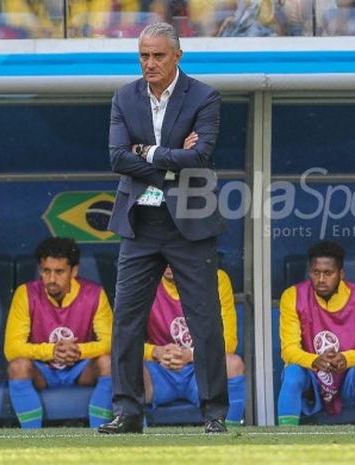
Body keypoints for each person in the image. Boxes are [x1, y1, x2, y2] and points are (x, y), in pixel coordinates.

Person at [100, 21, 229, 434]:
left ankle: (213, 414)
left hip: (190, 223)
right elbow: (118, 158)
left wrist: (149, 152)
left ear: (177, 56)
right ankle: (128, 411)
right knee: (126, 320)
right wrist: (170, 161)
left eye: (158, 55)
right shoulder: (124, 96)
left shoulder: (205, 96)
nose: (149, 63)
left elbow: (203, 155)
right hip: (139, 222)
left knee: (204, 320)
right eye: (143, 55)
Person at [4, 237, 113, 428]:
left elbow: (111, 343)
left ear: (74, 271)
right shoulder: (26, 293)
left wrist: (78, 351)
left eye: (59, 272)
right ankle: (32, 439)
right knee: (17, 366)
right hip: (42, 370)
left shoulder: (94, 294)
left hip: (80, 369)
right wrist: (51, 352)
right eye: (46, 271)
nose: (52, 279)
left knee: (108, 363)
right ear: (40, 270)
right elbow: (11, 349)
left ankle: (99, 432)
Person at [278, 241, 355, 426]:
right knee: (292, 373)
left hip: (349, 374)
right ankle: (285, 441)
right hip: (311, 374)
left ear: (341, 274)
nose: (321, 279)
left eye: (328, 273)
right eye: (315, 272)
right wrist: (314, 360)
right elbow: (288, 349)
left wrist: (345, 359)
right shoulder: (292, 296)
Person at [144, 266, 246, 426]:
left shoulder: (215, 278)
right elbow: (126, 339)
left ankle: (231, 436)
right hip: (159, 370)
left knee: (233, 364)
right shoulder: (144, 278)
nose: (169, 263)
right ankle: (134, 440)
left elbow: (229, 341)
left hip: (200, 370)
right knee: (127, 363)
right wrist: (155, 351)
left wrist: (191, 355)